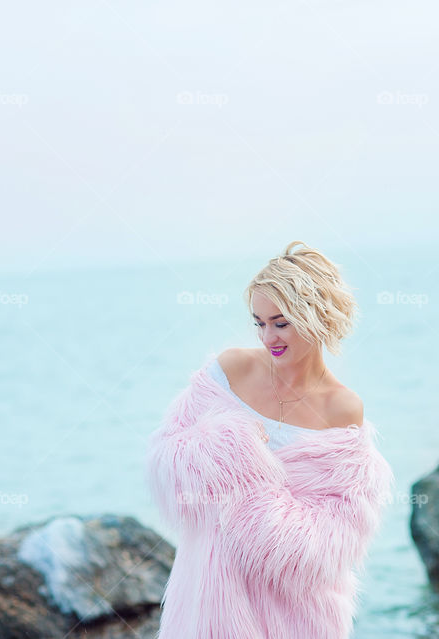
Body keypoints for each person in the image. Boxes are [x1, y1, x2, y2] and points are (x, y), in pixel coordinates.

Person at [145, 240, 395, 639]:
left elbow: (330, 541)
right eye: (259, 322)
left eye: (281, 323)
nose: (268, 337)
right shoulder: (231, 370)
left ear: (317, 315)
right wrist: (233, 448)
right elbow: (166, 458)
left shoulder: (342, 409)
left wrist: (253, 484)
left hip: (292, 615)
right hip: (209, 599)